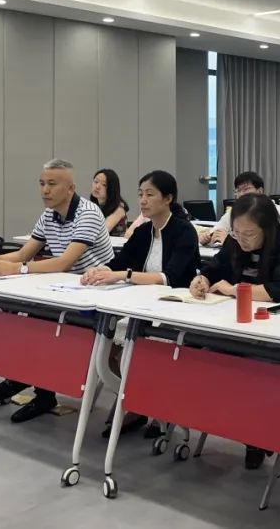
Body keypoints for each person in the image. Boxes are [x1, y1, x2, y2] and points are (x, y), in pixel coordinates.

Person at [0, 158, 114, 423]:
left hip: (96, 294)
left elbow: (64, 262)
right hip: (65, 289)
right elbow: (23, 253)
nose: (45, 190)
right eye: (42, 183)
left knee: (40, 323)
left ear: (70, 188)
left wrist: (17, 269)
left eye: (52, 184)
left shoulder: (88, 213)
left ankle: (31, 383)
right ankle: (29, 381)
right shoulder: (49, 214)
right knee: (28, 318)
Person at [82, 170, 201, 437]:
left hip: (175, 308)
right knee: (106, 348)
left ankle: (149, 406)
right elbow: (119, 262)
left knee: (143, 351)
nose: (143, 201)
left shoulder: (184, 231)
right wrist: (99, 270)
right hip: (142, 305)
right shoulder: (144, 231)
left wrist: (123, 275)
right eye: (140, 194)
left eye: (150, 194)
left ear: (168, 198)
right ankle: (139, 401)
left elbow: (169, 277)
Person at [190, 193, 280, 469]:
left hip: (274, 328)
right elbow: (215, 267)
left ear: (267, 228)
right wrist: (202, 279)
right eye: (237, 233)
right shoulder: (235, 240)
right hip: (235, 323)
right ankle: (240, 426)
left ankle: (257, 434)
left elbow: (278, 290)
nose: (242, 240)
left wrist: (234, 290)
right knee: (206, 361)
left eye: (249, 234)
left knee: (255, 371)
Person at [198, 171, 278, 245]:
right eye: (238, 190)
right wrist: (206, 237)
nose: (241, 194)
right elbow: (218, 230)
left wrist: (229, 241)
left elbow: (264, 244)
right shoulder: (235, 211)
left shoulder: (273, 211)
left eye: (246, 189)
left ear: (260, 191)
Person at [90, 168, 129, 236]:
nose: (97, 186)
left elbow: (102, 232)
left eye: (104, 185)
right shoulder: (93, 205)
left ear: (112, 188)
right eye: (96, 182)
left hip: (114, 243)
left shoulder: (119, 208)